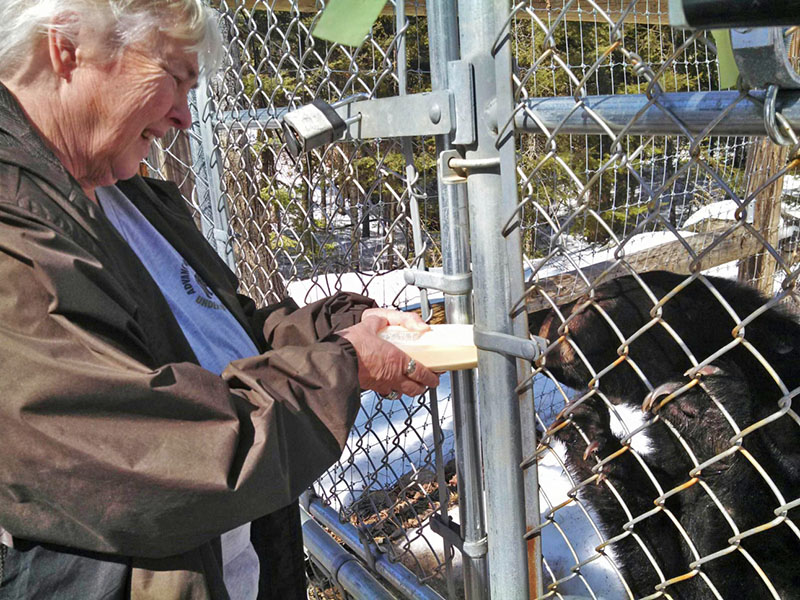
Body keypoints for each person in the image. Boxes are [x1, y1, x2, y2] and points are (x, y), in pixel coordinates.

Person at [0, 1, 439, 599]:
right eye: (174, 77)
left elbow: (219, 344)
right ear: (69, 46)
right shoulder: (14, 230)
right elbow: (148, 454)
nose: (185, 115)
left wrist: (343, 324)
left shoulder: (124, 195)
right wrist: (341, 364)